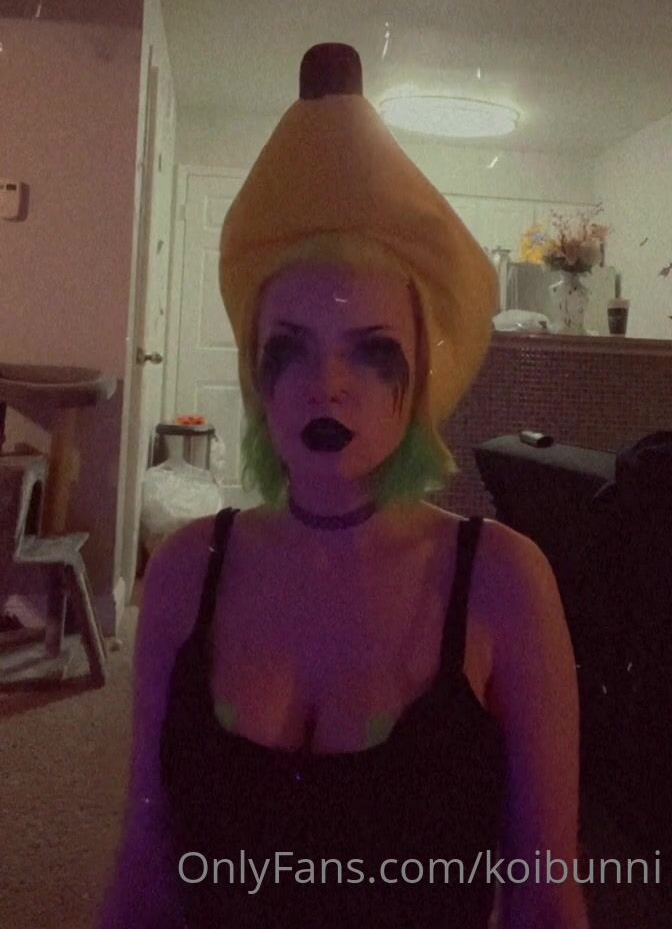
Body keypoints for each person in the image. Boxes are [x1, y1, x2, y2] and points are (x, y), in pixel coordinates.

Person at [100, 45, 589, 928]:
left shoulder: (505, 583)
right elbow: (145, 867)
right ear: (254, 369)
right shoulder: (180, 574)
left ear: (423, 367)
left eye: (370, 350)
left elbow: (546, 898)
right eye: (290, 348)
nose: (327, 386)